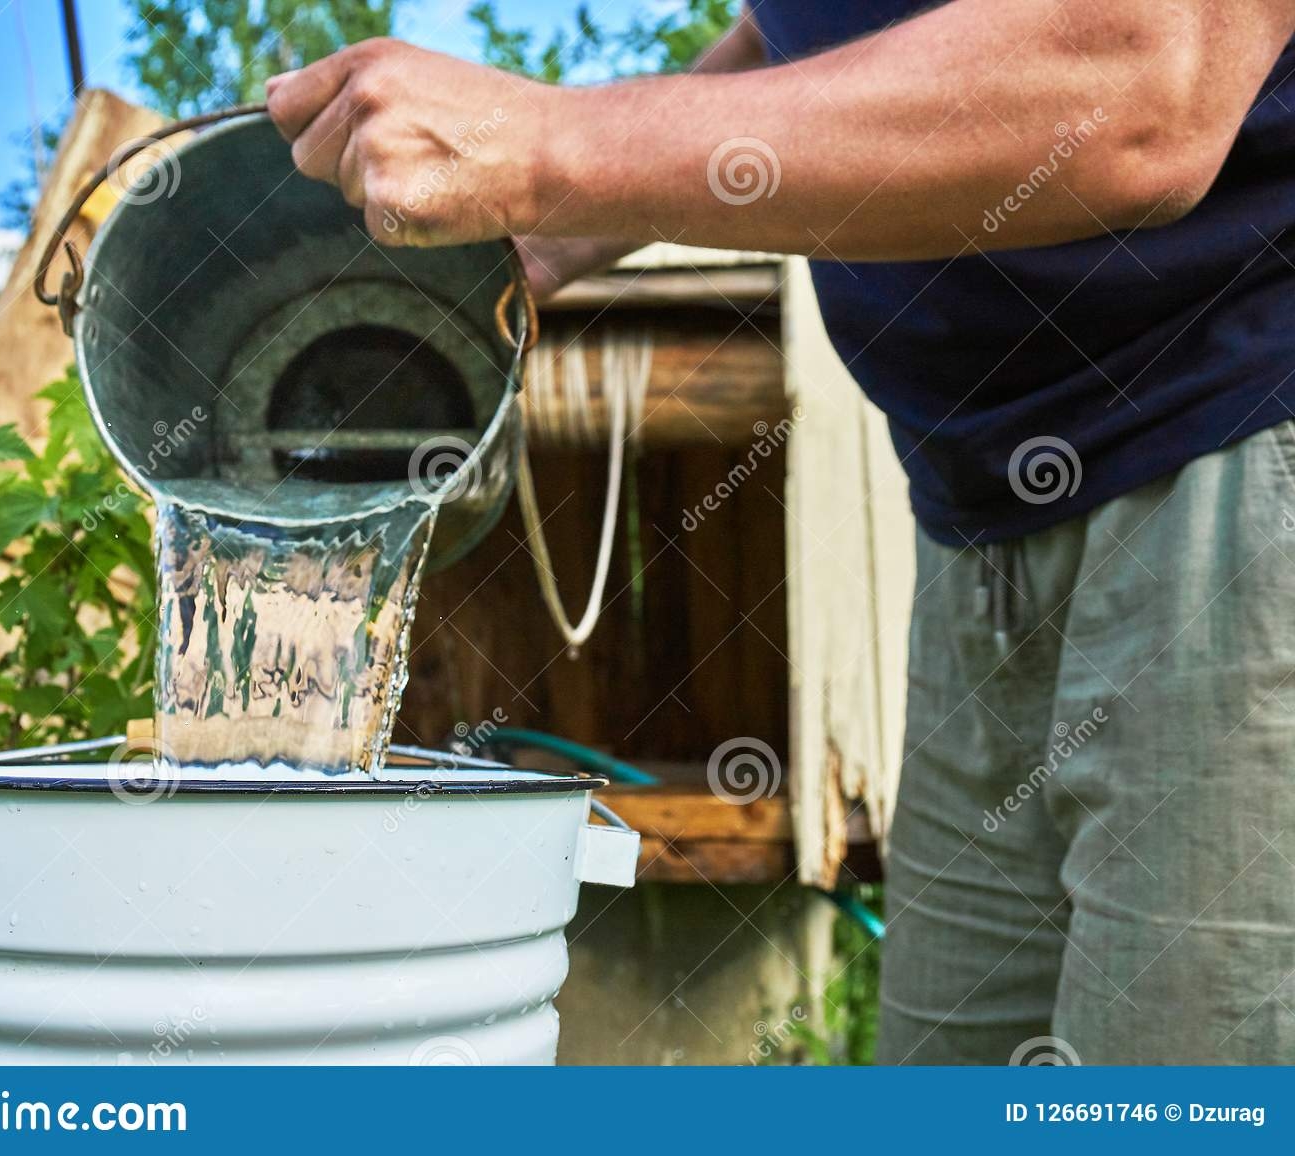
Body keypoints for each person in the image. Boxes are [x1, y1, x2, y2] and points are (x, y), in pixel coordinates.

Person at [265, 2, 1295, 1064]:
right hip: (975, 513)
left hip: (1241, 450)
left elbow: (1149, 82)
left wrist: (548, 144)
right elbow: (803, 30)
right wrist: (537, 237)